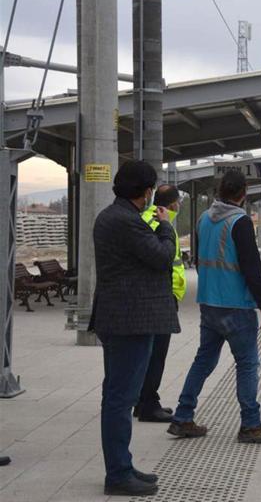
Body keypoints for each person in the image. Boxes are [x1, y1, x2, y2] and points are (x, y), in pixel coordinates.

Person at [167, 169, 261, 444]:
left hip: (208, 302)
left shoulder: (204, 219)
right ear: (243, 194)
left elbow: (197, 256)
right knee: (247, 364)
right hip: (236, 306)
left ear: (220, 192)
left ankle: (183, 417)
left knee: (203, 361)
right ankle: (250, 425)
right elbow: (252, 268)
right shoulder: (240, 222)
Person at [91, 161, 180, 496]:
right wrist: (166, 227)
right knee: (119, 399)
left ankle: (123, 465)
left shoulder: (112, 217)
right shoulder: (126, 221)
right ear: (146, 192)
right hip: (128, 321)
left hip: (121, 319)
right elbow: (162, 257)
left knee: (118, 396)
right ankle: (117, 474)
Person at [134, 184, 186, 423]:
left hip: (161, 296)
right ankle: (147, 404)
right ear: (173, 203)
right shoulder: (157, 222)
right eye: (179, 201)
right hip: (160, 297)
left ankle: (144, 400)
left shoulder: (153, 219)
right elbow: (158, 258)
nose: (181, 205)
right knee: (156, 354)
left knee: (151, 352)